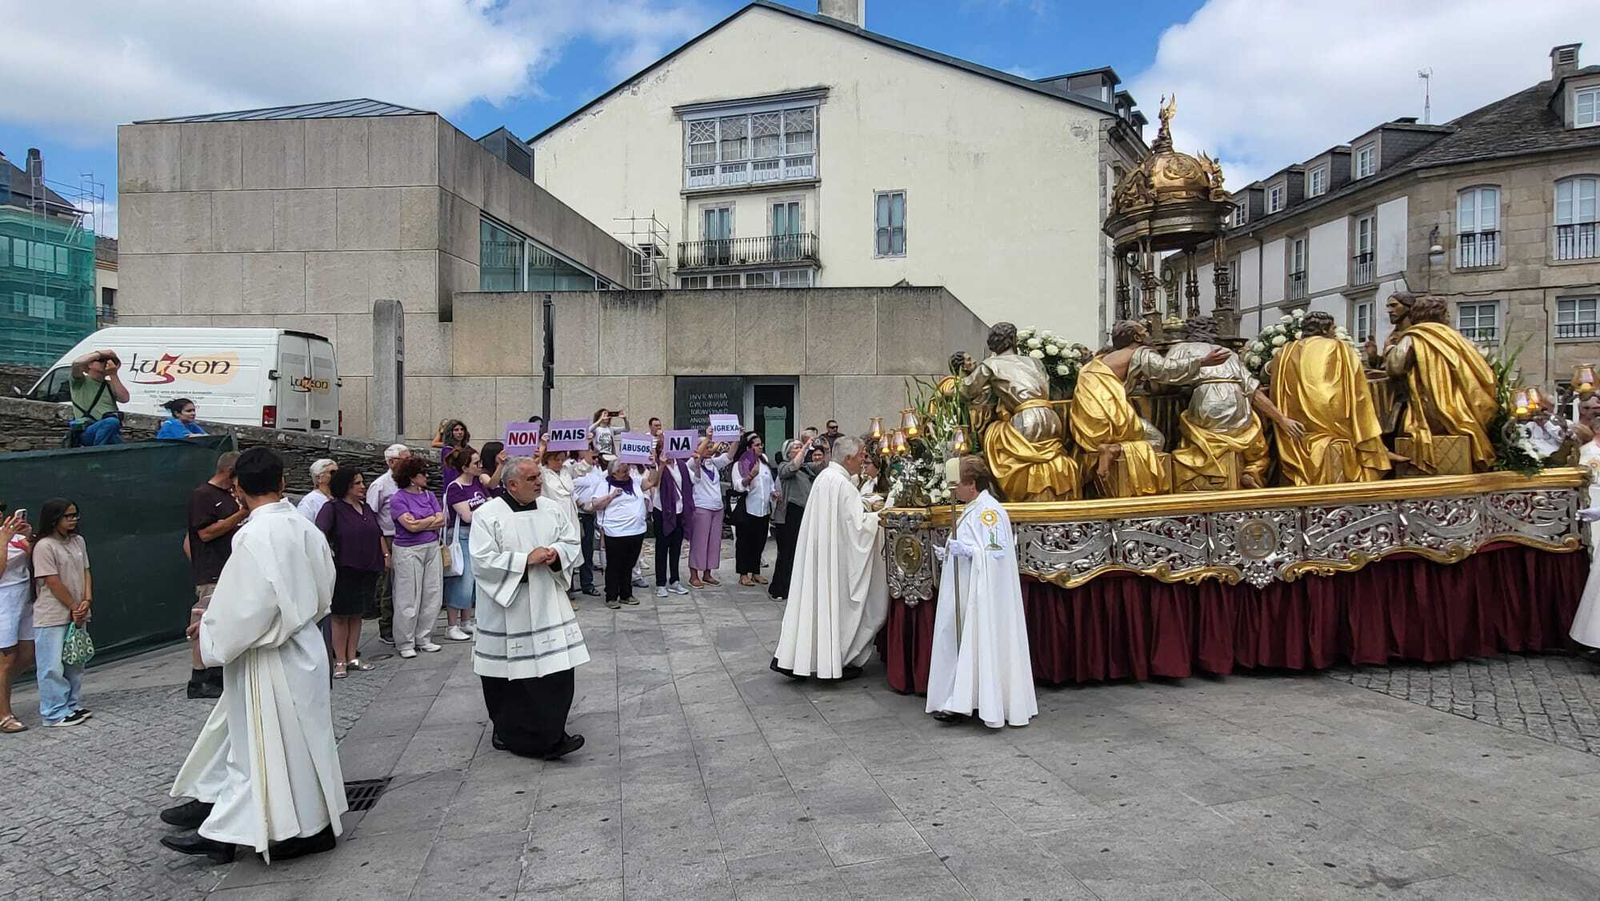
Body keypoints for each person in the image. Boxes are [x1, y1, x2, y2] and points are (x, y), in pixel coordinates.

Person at [161, 447, 345, 864]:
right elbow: (322, 583)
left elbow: (248, 607)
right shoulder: (303, 526)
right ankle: (283, 823)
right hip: (305, 646)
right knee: (301, 744)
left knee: (264, 747)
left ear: (238, 489)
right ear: (282, 482)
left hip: (269, 655)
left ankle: (272, 829)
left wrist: (209, 630)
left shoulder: (253, 535)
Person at [471, 457, 586, 760]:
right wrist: (524, 560)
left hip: (547, 601)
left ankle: (552, 733)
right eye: (533, 478)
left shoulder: (551, 508)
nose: (540, 482)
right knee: (511, 677)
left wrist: (556, 553)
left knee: (555, 672)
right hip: (508, 608)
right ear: (511, 485)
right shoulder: (488, 514)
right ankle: (511, 733)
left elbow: (571, 540)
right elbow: (481, 561)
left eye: (539, 477)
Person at [926, 456, 1037, 728]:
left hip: (982, 595)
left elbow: (996, 554)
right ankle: (961, 697)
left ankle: (968, 701)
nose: (954, 491)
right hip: (967, 589)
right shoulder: (973, 508)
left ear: (971, 484)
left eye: (958, 486)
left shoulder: (989, 511)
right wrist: (952, 553)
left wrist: (969, 552)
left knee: (976, 639)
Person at [1139, 316, 1305, 492]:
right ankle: (1252, 471)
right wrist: (1282, 419)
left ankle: (1204, 474)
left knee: (1193, 436)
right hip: (1237, 403)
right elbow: (1253, 392)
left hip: (1208, 400)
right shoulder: (1228, 353)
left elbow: (1162, 382)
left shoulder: (1181, 348)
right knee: (1255, 439)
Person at [771, 437, 888, 681]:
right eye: (860, 456)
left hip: (822, 555)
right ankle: (836, 657)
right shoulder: (842, 485)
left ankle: (806, 656)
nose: (863, 461)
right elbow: (857, 528)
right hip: (836, 560)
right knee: (841, 603)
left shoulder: (825, 478)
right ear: (847, 458)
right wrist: (880, 516)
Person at [1071, 320, 1223, 497]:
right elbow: (1167, 370)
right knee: (1157, 440)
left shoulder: (1101, 359)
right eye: (1145, 332)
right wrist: (1203, 361)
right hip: (1111, 422)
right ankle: (1115, 449)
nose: (1149, 335)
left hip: (1086, 424)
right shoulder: (1140, 352)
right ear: (1137, 337)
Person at [960, 322, 1080, 501]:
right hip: (1052, 417)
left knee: (995, 436)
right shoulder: (1035, 362)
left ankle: (1016, 496)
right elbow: (1047, 387)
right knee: (1049, 459)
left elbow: (966, 390)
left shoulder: (991, 364)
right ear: (1014, 340)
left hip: (1026, 419)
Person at [1270, 312, 1393, 485]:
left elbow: (1270, 379)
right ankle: (1379, 452)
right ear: (1325, 329)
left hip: (1298, 425)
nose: (1335, 332)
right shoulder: (1340, 348)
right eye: (1333, 328)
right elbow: (1358, 391)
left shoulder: (1285, 352)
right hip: (1335, 418)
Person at [1384, 292, 1499, 473]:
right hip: (1462, 406)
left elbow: (1395, 366)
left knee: (1397, 427)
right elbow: (1486, 357)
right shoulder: (1456, 337)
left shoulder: (1414, 336)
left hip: (1430, 408)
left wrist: (1390, 348)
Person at [185, 452, 245, 699]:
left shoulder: (227, 496)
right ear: (230, 472)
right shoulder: (203, 496)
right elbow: (205, 533)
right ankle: (199, 677)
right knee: (204, 621)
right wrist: (240, 515)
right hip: (212, 571)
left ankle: (218, 671)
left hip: (228, 569)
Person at [315, 468, 384, 678]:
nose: (363, 486)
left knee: (357, 614)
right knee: (340, 616)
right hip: (344, 568)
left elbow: (377, 532)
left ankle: (353, 655)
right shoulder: (332, 508)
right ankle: (340, 660)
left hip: (368, 568)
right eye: (357, 483)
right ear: (346, 486)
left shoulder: (366, 508)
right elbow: (319, 535)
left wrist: (385, 555)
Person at [31, 499, 92, 727]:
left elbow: (86, 570)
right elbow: (52, 581)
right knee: (52, 665)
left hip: (78, 612)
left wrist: (86, 599)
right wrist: (73, 607)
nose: (73, 520)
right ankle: (54, 711)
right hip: (52, 615)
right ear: (54, 519)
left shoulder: (78, 541)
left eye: (75, 515)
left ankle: (72, 704)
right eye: (68, 516)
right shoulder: (44, 546)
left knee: (75, 661)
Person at [389, 455, 445, 658]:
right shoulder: (398, 498)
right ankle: (405, 641)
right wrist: (431, 520)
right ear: (412, 477)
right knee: (408, 596)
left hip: (431, 546)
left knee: (432, 592)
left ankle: (424, 637)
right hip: (408, 550)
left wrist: (423, 522)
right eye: (423, 473)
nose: (427, 477)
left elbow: (442, 520)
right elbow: (409, 526)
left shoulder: (429, 495)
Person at [590, 458, 659, 609]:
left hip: (636, 530)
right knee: (615, 564)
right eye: (623, 469)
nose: (626, 470)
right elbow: (595, 504)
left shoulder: (634, 481)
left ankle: (626, 594)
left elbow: (651, 482)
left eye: (626, 468)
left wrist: (653, 466)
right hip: (615, 532)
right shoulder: (604, 484)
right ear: (614, 472)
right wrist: (612, 496)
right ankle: (612, 596)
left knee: (629, 564)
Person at [769, 438, 826, 602]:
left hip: (804, 510)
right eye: (796, 447)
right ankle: (779, 588)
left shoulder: (805, 468)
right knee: (787, 552)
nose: (800, 449)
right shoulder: (784, 467)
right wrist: (806, 447)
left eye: (800, 447)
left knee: (799, 552)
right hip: (790, 513)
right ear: (788, 452)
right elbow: (793, 466)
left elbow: (822, 466)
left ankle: (795, 587)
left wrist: (826, 449)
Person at [367, 444, 411, 645]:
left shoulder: (409, 482)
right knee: (388, 584)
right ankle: (387, 627)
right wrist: (383, 550)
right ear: (392, 462)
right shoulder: (380, 485)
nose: (409, 462)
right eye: (405, 459)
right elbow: (371, 517)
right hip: (388, 536)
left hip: (408, 534)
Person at [444, 448, 489, 640]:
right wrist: (487, 507)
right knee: (461, 578)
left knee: (473, 580)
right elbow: (467, 516)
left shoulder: (478, 483)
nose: (479, 466)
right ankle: (452, 624)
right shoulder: (456, 488)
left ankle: (466, 620)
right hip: (461, 535)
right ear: (464, 467)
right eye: (475, 463)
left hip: (477, 535)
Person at [0, 506, 34, 733]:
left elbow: (35, 563)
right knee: (7, 657)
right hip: (3, 601)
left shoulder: (12, 532)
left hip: (23, 599)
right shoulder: (5, 536)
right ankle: (4, 715)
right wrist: (3, 541)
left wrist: (29, 538)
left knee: (28, 654)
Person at [731, 431, 776, 587]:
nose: (760, 447)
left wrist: (774, 493)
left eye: (761, 444)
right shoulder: (740, 464)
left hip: (763, 509)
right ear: (749, 448)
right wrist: (750, 476)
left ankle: (755, 572)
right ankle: (743, 574)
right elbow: (738, 485)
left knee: (760, 541)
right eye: (757, 445)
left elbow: (769, 482)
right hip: (748, 508)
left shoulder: (764, 461)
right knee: (744, 542)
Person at [686, 437, 732, 587]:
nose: (710, 448)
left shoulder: (713, 463)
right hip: (701, 507)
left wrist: (737, 438)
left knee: (713, 543)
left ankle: (708, 573)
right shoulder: (692, 463)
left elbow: (730, 456)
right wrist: (709, 437)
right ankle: (694, 575)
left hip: (717, 507)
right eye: (707, 446)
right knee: (699, 542)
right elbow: (697, 456)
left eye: (711, 446)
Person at [653, 440, 694, 598]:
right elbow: (654, 483)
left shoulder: (682, 465)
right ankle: (660, 583)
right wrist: (662, 466)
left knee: (676, 547)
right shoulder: (656, 465)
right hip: (662, 512)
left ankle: (674, 580)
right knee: (662, 548)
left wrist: (696, 462)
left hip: (679, 511)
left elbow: (693, 480)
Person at [68, 347, 130, 446]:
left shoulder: (110, 384)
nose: (105, 362)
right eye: (101, 360)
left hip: (110, 431)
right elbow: (77, 363)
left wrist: (113, 374)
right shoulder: (80, 382)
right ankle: (98, 453)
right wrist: (100, 354)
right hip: (87, 430)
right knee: (111, 422)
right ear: (89, 365)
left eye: (108, 361)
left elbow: (124, 398)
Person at [569, 449, 606, 598]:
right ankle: (569, 586)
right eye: (593, 455)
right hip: (576, 513)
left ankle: (587, 583)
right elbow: (569, 489)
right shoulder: (570, 467)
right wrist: (580, 504)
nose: (595, 459)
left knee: (588, 550)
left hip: (590, 514)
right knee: (572, 550)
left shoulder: (595, 469)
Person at [438, 420, 473, 484]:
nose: (460, 432)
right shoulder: (447, 450)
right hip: (454, 484)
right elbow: (449, 471)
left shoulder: (468, 448)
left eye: (462, 429)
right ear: (450, 433)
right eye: (456, 430)